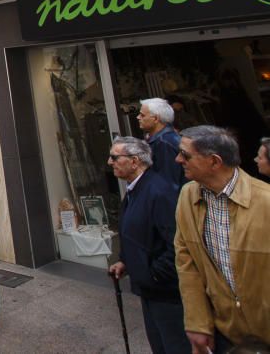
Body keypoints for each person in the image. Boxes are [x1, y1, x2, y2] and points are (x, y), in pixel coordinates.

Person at [174, 125, 270, 351]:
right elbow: (186, 261)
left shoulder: (265, 201)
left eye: (185, 154)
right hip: (227, 336)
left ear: (214, 162)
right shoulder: (188, 196)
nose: (178, 159)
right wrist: (197, 322)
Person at [106, 137, 188, 354]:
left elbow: (177, 245)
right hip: (150, 288)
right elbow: (138, 234)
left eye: (115, 157)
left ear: (134, 161)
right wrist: (127, 261)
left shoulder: (159, 192)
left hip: (166, 293)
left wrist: (153, 274)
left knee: (173, 345)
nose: (109, 162)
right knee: (159, 344)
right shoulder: (135, 189)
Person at [138, 98, 186, 188]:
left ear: (156, 119)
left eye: (142, 115)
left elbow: (169, 183)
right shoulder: (164, 139)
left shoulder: (164, 143)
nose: (138, 117)